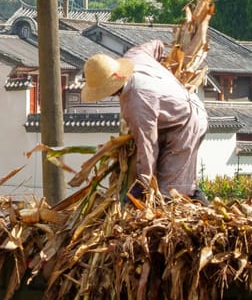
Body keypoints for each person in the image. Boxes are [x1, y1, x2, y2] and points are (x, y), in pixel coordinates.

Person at [79, 44, 208, 198]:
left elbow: (147, 145)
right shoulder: (134, 57)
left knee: (171, 191)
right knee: (170, 178)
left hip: (186, 124)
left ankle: (201, 206)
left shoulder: (137, 101)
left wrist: (142, 184)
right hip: (172, 117)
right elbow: (156, 45)